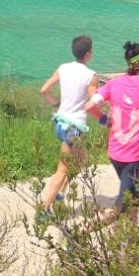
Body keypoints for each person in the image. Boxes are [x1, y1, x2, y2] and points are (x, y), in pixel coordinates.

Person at [88, 41, 139, 220]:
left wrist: (104, 120)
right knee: (121, 204)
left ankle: (133, 233)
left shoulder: (114, 84)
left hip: (115, 152)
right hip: (135, 155)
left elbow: (89, 106)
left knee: (133, 193)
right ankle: (84, 231)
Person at [38, 34, 99, 216]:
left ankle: (60, 193)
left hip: (60, 122)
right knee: (63, 169)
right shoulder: (91, 76)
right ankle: (44, 209)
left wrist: (55, 104)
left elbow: (44, 90)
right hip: (74, 128)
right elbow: (93, 101)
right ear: (88, 54)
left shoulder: (63, 68)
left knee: (81, 160)